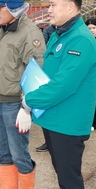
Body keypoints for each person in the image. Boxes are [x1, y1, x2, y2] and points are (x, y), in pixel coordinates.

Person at [23, 0, 96, 189]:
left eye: (53, 4)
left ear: (70, 6)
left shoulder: (80, 39)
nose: (49, 9)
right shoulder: (59, 34)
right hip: (54, 117)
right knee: (61, 170)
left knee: (70, 174)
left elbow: (64, 85)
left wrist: (28, 100)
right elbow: (50, 75)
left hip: (69, 120)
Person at [0, 0, 46, 189]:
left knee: (19, 150)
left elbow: (37, 72)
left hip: (15, 103)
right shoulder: (3, 29)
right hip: (0, 100)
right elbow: (1, 64)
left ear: (13, 9)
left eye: (0, 7)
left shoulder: (29, 33)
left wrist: (27, 107)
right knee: (3, 148)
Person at [35, 23, 57, 153]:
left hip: (57, 78)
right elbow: (44, 49)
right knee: (46, 113)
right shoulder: (50, 32)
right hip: (46, 75)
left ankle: (55, 142)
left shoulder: (74, 35)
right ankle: (48, 142)